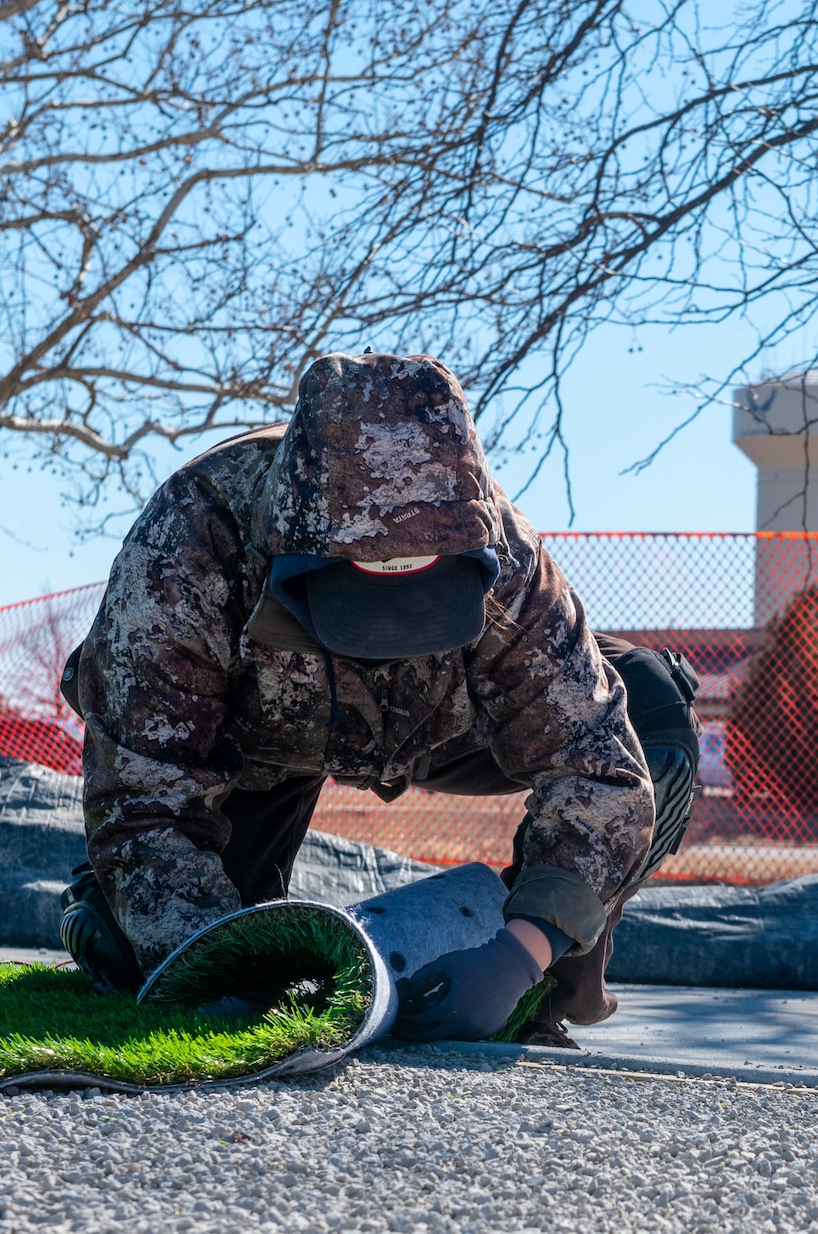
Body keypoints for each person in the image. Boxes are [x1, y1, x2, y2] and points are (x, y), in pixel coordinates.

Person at [56, 352, 699, 1045]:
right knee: (184, 954)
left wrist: (519, 956)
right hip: (260, 739)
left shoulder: (506, 555)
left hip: (448, 725)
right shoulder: (187, 542)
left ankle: (534, 999)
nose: (389, 633)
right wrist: (215, 965)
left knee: (651, 712)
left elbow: (598, 767)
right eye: (364, 600)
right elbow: (144, 795)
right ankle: (116, 910)